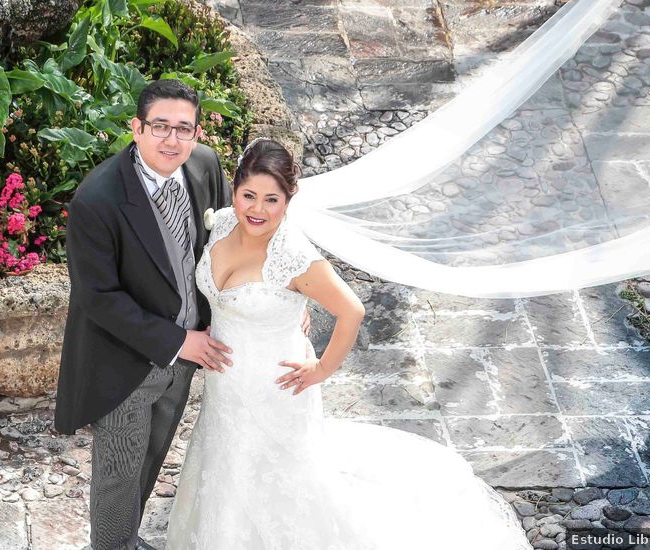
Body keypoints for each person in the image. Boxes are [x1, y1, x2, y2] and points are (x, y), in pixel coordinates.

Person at [165, 138, 531, 549]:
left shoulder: (294, 256)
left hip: (275, 388)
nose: (258, 210)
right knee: (226, 468)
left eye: (272, 200)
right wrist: (287, 309)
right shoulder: (227, 221)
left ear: (290, 198)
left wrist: (320, 369)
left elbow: (351, 311)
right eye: (249, 195)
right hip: (226, 388)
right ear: (234, 190)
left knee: (278, 479)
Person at [53, 79, 233, 550]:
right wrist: (177, 342)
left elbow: (232, 238)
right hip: (124, 360)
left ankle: (127, 540)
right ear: (136, 128)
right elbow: (98, 297)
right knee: (118, 473)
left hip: (185, 358)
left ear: (196, 133)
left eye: (183, 129)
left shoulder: (205, 166)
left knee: (151, 457)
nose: (172, 140)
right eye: (160, 127)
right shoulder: (98, 199)